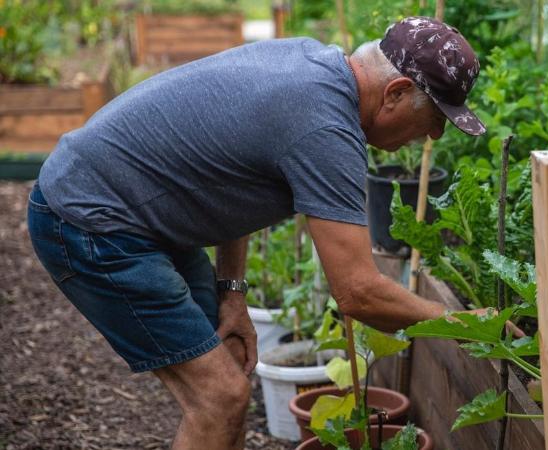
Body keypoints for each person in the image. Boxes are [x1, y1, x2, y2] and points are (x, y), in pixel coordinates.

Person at [27, 16, 486, 449]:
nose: (434, 137)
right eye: (436, 119)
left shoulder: (313, 64)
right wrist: (466, 325)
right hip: (92, 220)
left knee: (223, 378)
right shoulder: (326, 128)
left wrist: (233, 293)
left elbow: (234, 179)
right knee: (218, 397)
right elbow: (358, 293)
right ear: (396, 92)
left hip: (131, 206)